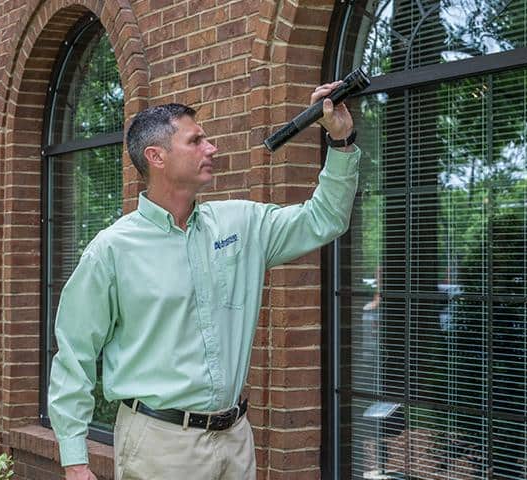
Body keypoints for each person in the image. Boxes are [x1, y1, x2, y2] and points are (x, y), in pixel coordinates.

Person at [47, 82, 360, 480]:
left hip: (235, 440)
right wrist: (75, 460)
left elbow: (325, 218)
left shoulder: (243, 224)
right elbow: (74, 355)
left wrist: (341, 139)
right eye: (196, 141)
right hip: (159, 446)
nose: (211, 149)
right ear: (156, 157)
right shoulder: (112, 250)